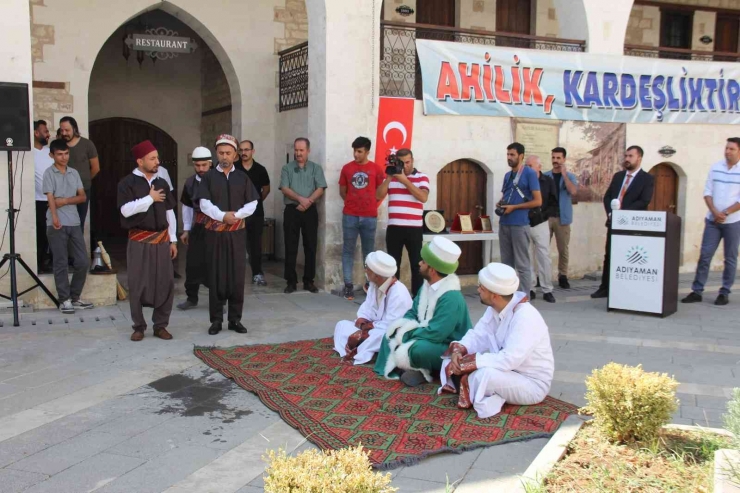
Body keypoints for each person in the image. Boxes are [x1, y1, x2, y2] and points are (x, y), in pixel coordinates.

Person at [439, 263, 554, 419]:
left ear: (495, 295)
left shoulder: (526, 317)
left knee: (483, 375)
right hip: (506, 372)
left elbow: (509, 359)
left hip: (531, 384)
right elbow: (478, 335)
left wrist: (470, 362)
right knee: (449, 362)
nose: (478, 289)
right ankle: (479, 389)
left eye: (482, 288)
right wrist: (461, 349)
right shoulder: (494, 308)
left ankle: (481, 391)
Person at [374, 236, 472, 387]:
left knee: (418, 350)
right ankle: (413, 369)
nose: (419, 263)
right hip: (424, 334)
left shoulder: (451, 297)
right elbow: (413, 312)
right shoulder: (426, 285)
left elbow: (437, 333)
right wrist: (402, 328)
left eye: (423, 262)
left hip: (448, 345)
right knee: (390, 334)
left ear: (432, 269)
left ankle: (417, 369)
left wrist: (407, 334)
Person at [197, 134, 260, 335]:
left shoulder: (242, 177)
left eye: (228, 153)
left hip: (236, 235)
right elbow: (204, 204)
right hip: (215, 235)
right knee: (216, 276)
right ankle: (216, 320)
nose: (224, 156)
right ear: (216, 153)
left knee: (236, 276)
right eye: (221, 152)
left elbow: (253, 203)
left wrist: (237, 216)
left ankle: (235, 319)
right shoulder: (208, 177)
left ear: (235, 155)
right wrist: (223, 216)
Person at [118, 140, 177, 341]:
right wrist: (150, 198)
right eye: (152, 158)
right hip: (139, 241)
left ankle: (160, 325)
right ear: (140, 161)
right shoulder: (127, 183)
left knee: (165, 282)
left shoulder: (162, 182)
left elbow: (170, 211)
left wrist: (173, 240)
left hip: (162, 240)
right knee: (137, 283)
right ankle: (139, 327)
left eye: (157, 158)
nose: (157, 161)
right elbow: (125, 211)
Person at [591, 146, 654, 299]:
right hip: (614, 222)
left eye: (630, 156)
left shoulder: (647, 179)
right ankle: (605, 287)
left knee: (628, 256)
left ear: (639, 158)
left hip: (633, 225)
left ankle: (626, 288)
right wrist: (612, 213)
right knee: (610, 254)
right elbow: (607, 197)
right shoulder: (618, 176)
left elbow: (644, 201)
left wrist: (623, 213)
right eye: (626, 156)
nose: (627, 159)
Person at [683, 138, 740, 306]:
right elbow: (707, 192)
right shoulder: (716, 167)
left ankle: (724, 292)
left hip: (733, 222)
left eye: (731, 149)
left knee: (730, 258)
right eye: (726, 148)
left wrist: (726, 212)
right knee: (705, 255)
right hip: (712, 221)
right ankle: (697, 290)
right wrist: (715, 212)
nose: (727, 151)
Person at [334, 251, 412, 364]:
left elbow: (392, 325)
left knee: (378, 337)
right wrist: (362, 324)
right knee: (342, 325)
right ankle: (348, 351)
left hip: (389, 332)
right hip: (371, 327)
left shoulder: (398, 292)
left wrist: (368, 328)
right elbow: (366, 309)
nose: (365, 271)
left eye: (367, 268)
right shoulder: (373, 285)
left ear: (377, 275)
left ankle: (359, 352)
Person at [42, 139, 93, 314]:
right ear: (52, 155)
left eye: (66, 153)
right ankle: (64, 300)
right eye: (59, 154)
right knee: (61, 262)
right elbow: (50, 199)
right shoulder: (49, 173)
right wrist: (55, 216)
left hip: (74, 221)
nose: (64, 157)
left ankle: (75, 297)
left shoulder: (74, 173)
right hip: (56, 223)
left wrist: (64, 200)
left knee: (82, 261)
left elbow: (82, 197)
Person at [376, 148, 430, 297]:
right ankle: (394, 298)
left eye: (407, 162)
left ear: (412, 161)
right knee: (393, 266)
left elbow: (423, 197)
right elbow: (378, 195)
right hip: (394, 227)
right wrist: (389, 177)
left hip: (414, 228)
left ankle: (417, 298)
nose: (405, 165)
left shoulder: (422, 177)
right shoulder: (391, 178)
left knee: (417, 265)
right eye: (402, 163)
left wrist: (405, 181)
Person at [279, 138, 327, 294]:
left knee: (311, 246)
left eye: (301, 150)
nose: (298, 153)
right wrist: (301, 199)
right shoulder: (287, 168)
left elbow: (321, 187)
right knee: (290, 245)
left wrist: (309, 201)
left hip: (310, 211)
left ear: (308, 150)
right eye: (296, 150)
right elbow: (285, 188)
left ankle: (309, 281)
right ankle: (291, 282)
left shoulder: (316, 168)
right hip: (292, 210)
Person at [339, 137, 384, 300]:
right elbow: (342, 191)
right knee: (348, 250)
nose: (356, 154)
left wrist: (370, 204)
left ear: (367, 152)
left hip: (369, 216)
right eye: (354, 151)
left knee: (369, 252)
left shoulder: (376, 169)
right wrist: (353, 203)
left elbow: (381, 191)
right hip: (350, 215)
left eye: (359, 151)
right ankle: (348, 285)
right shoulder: (347, 168)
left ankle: (369, 284)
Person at [498, 143, 542, 297]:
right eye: (508, 155)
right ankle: (508, 296)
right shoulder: (507, 175)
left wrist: (515, 207)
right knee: (506, 265)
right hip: (504, 222)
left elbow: (537, 201)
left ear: (521, 156)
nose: (509, 158)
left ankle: (524, 297)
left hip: (520, 223)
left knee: (522, 264)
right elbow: (506, 196)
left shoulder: (529, 173)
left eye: (512, 155)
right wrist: (501, 203)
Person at [177, 147, 213, 310]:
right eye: (198, 165)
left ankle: (218, 299)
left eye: (204, 165)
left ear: (210, 164)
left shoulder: (218, 180)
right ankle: (192, 298)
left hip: (216, 227)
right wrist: (186, 229)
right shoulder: (190, 182)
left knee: (215, 263)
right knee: (192, 262)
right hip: (198, 227)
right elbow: (187, 206)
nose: (201, 169)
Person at [236, 140, 271, 287]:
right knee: (237, 244)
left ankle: (257, 274)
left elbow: (266, 189)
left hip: (256, 214)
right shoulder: (234, 168)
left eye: (247, 150)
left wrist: (255, 203)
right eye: (241, 150)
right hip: (237, 213)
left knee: (255, 245)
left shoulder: (260, 169)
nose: (244, 153)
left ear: (252, 151)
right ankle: (235, 275)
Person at [544, 147, 579, 289]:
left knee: (563, 249)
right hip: (546, 217)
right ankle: (543, 276)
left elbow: (573, 191)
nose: (555, 161)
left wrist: (564, 175)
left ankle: (563, 276)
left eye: (558, 158)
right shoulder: (545, 176)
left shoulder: (570, 177)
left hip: (562, 218)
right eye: (553, 158)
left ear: (564, 159)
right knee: (542, 249)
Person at [59, 116, 100, 231]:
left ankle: (76, 249)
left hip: (82, 191)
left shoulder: (87, 144)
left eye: (67, 130)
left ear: (74, 129)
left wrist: (84, 181)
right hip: (63, 191)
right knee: (63, 223)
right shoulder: (60, 145)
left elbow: (95, 168)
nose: (64, 133)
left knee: (78, 223)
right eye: (62, 130)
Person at [525, 156, 557, 303]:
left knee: (544, 256)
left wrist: (543, 215)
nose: (528, 167)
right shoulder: (523, 180)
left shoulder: (548, 181)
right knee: (527, 257)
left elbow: (553, 202)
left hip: (541, 222)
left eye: (530, 165)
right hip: (524, 222)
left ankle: (547, 289)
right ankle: (530, 288)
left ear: (539, 166)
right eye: (526, 165)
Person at [33, 120, 53, 274]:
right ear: (36, 133)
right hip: (37, 201)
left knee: (50, 234)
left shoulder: (49, 152)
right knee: (39, 234)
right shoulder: (28, 153)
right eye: (45, 131)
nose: (48, 134)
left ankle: (48, 261)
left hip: (52, 201)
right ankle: (39, 263)